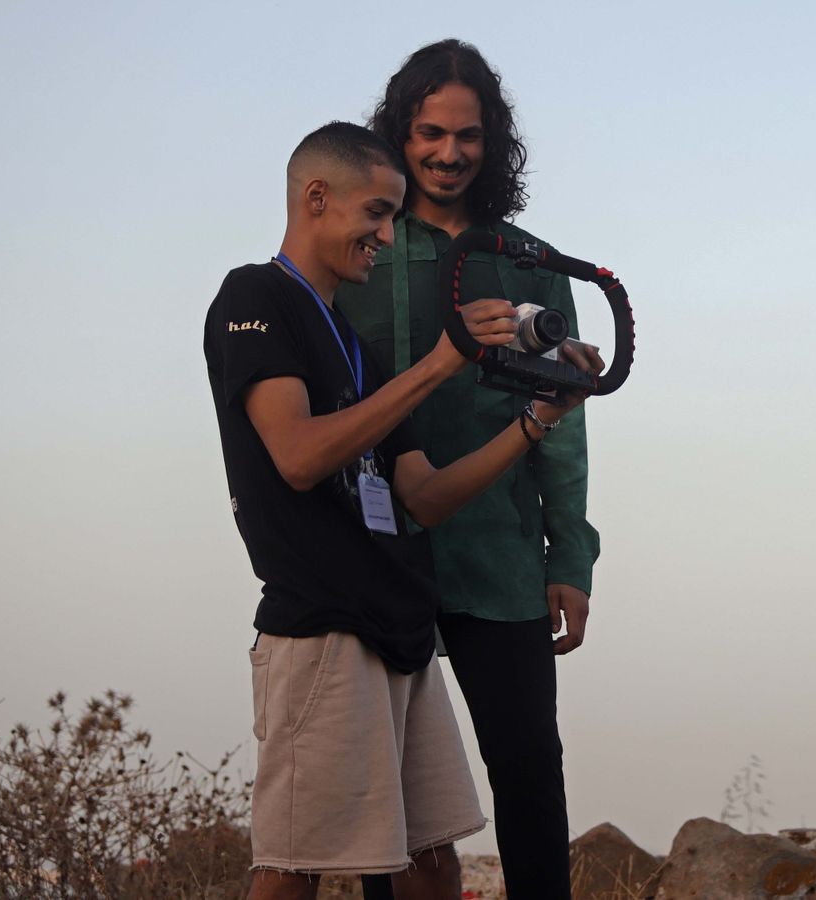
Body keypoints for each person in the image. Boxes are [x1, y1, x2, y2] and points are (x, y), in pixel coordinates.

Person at [203, 121, 588, 900]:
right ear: (317, 198)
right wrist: (443, 362)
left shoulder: (355, 344)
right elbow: (301, 456)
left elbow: (423, 494)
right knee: (291, 866)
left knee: (431, 859)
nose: (387, 235)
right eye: (377, 214)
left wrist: (540, 416)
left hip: (398, 625)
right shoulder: (254, 296)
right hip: (319, 624)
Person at [340, 41, 599, 900]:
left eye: (469, 135)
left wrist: (569, 560)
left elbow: (565, 428)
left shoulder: (531, 262)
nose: (449, 153)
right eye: (429, 133)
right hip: (375, 552)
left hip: (497, 553)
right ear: (399, 135)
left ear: (494, 142)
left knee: (528, 763)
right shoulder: (358, 253)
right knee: (389, 794)